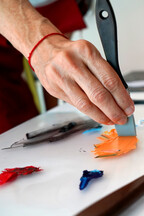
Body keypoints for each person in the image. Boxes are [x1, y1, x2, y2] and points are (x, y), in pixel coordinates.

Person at [0, 0, 134, 134]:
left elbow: (59, 70)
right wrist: (42, 43)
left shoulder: (68, 4)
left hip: (16, 90)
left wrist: (53, 118)